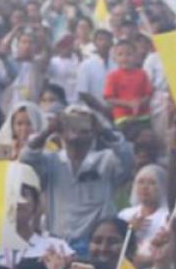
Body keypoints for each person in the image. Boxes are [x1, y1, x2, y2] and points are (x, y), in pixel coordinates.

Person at [21, 106, 134, 254]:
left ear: (93, 131)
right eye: (71, 122)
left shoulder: (106, 160)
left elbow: (128, 157)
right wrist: (48, 131)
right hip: (58, 243)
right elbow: (26, 159)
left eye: (83, 122)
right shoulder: (51, 160)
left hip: (95, 245)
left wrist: (104, 130)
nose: (77, 127)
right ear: (61, 129)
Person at [103, 40, 153, 128]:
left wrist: (139, 102)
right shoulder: (113, 76)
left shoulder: (142, 74)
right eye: (120, 54)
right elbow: (109, 98)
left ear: (136, 57)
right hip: (123, 118)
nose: (125, 58)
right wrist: (128, 104)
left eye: (129, 54)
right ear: (114, 58)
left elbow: (148, 94)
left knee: (149, 137)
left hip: (143, 116)